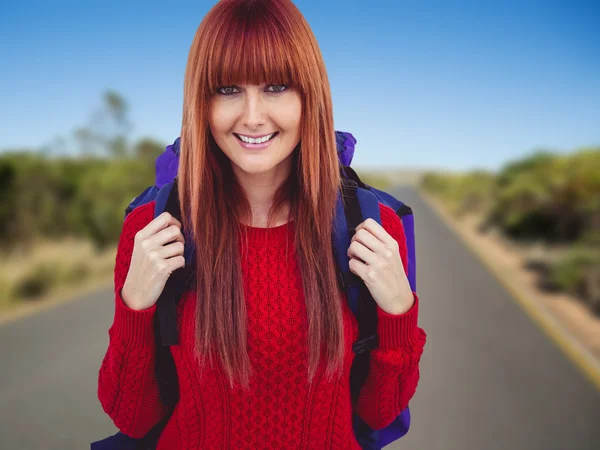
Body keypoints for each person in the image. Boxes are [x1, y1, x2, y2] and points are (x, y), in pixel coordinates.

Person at [97, 0, 427, 448]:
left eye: (276, 86)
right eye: (228, 89)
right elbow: (132, 419)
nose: (252, 116)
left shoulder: (370, 226)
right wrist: (134, 306)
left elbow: (379, 413)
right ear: (202, 102)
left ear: (309, 95)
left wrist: (398, 313)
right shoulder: (151, 229)